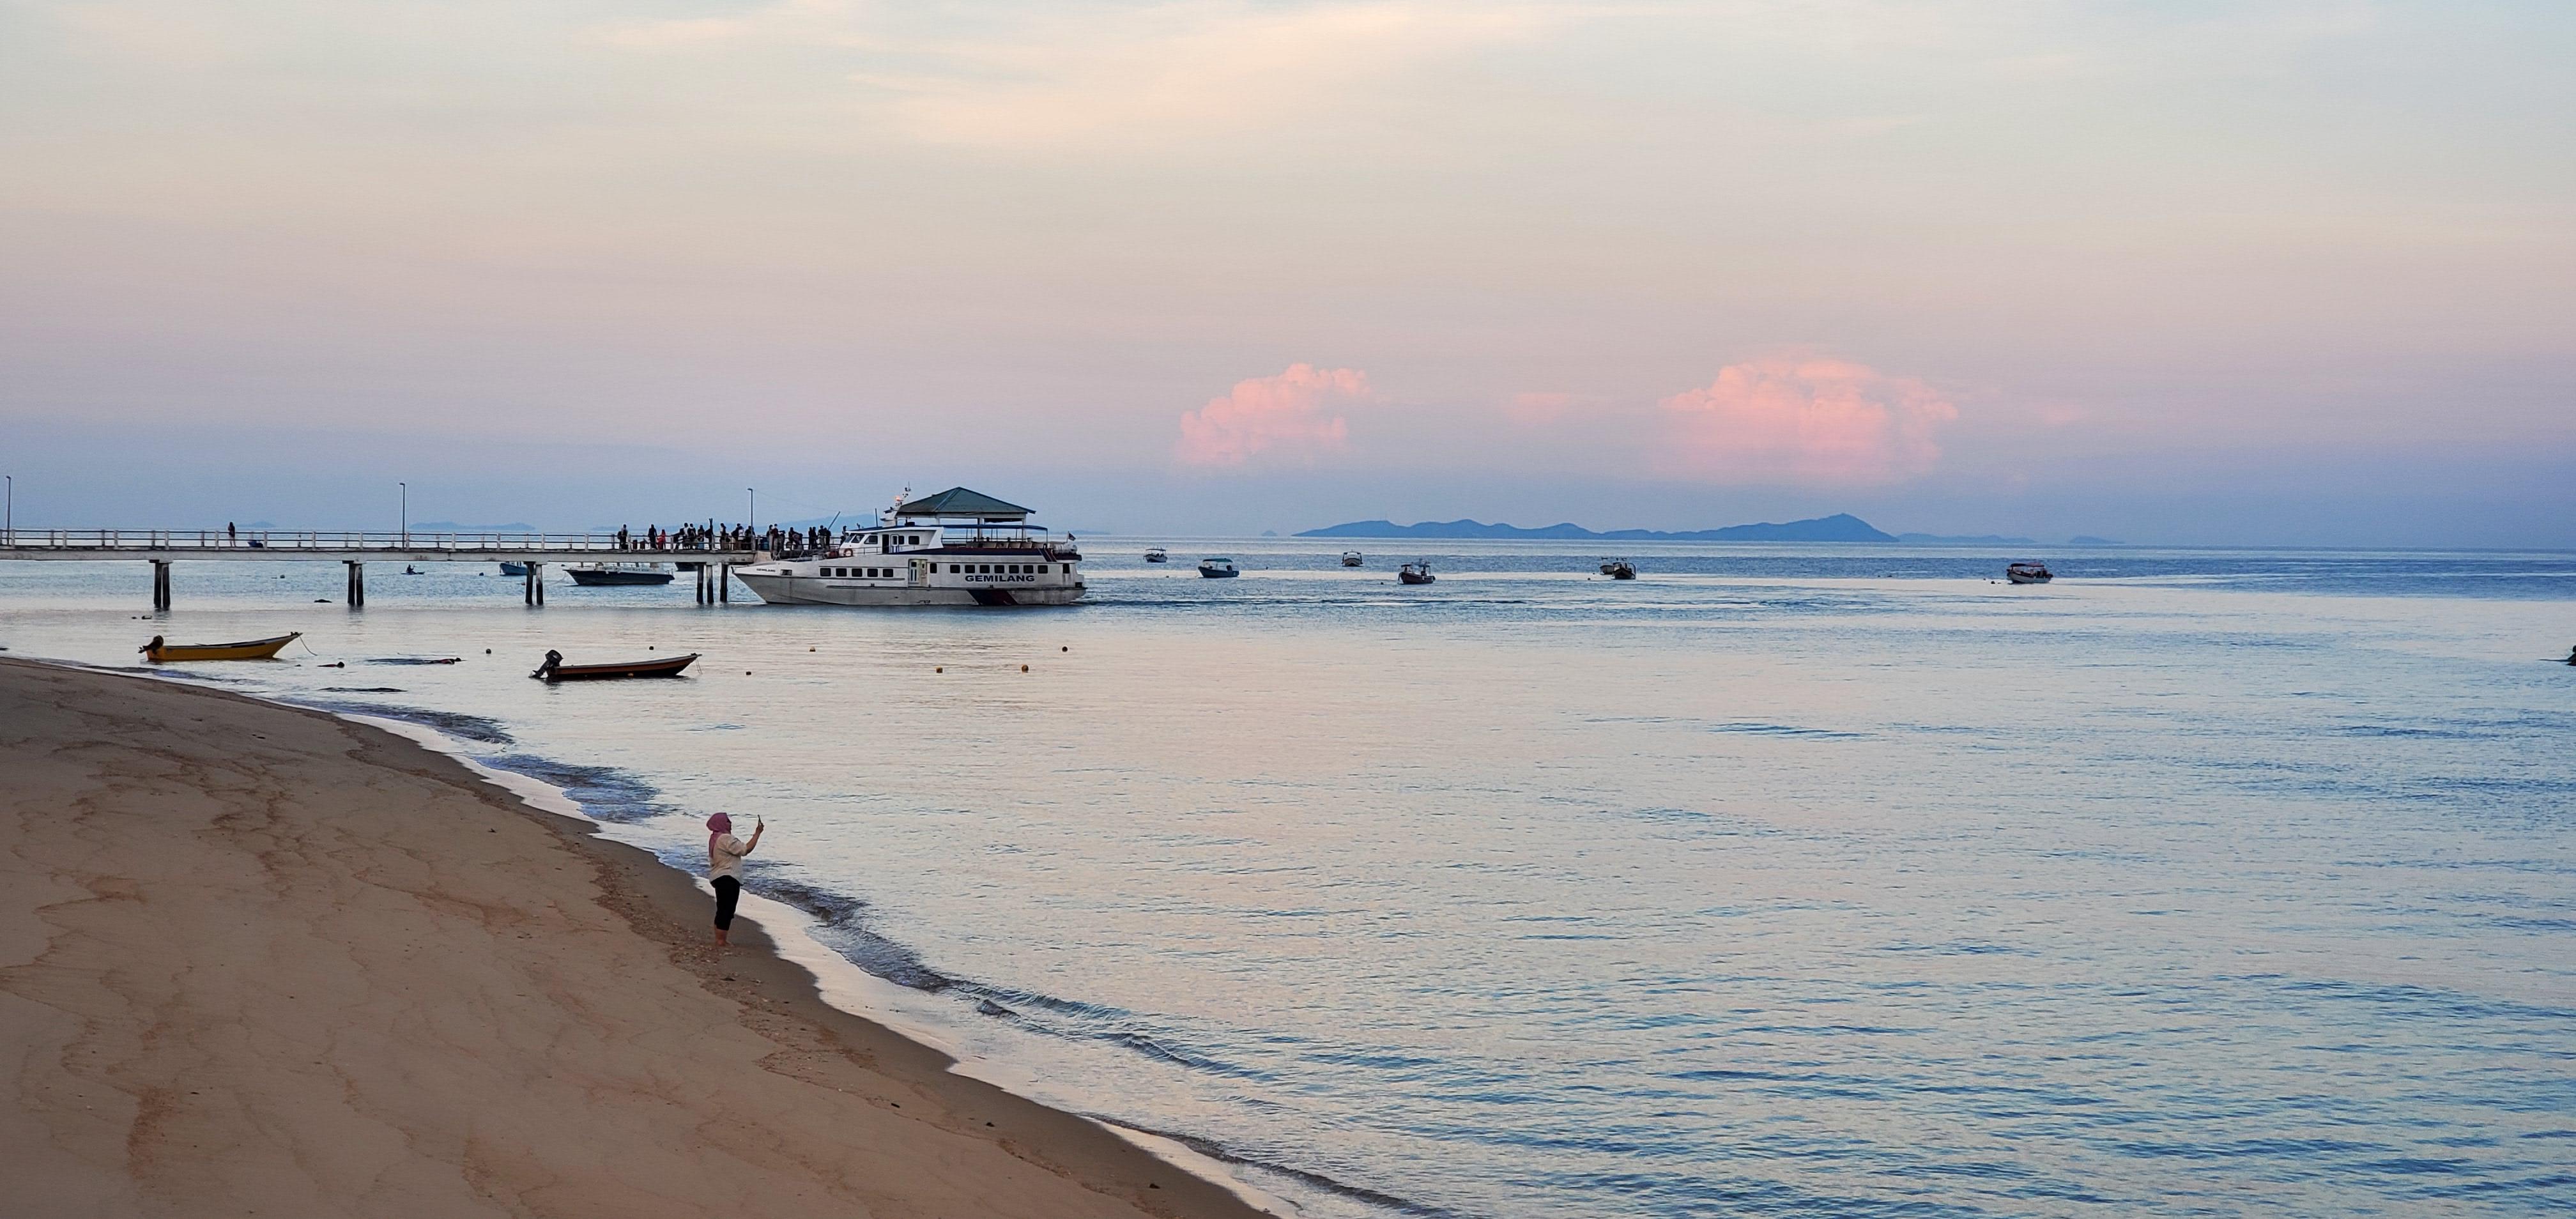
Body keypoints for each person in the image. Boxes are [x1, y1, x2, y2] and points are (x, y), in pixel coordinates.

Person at [706, 812, 763, 946]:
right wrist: (757, 834)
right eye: (727, 821)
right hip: (728, 877)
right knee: (727, 909)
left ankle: (720, 939)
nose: (730, 823)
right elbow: (745, 850)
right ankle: (721, 940)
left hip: (719, 877)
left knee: (722, 908)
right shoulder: (725, 838)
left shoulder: (714, 838)